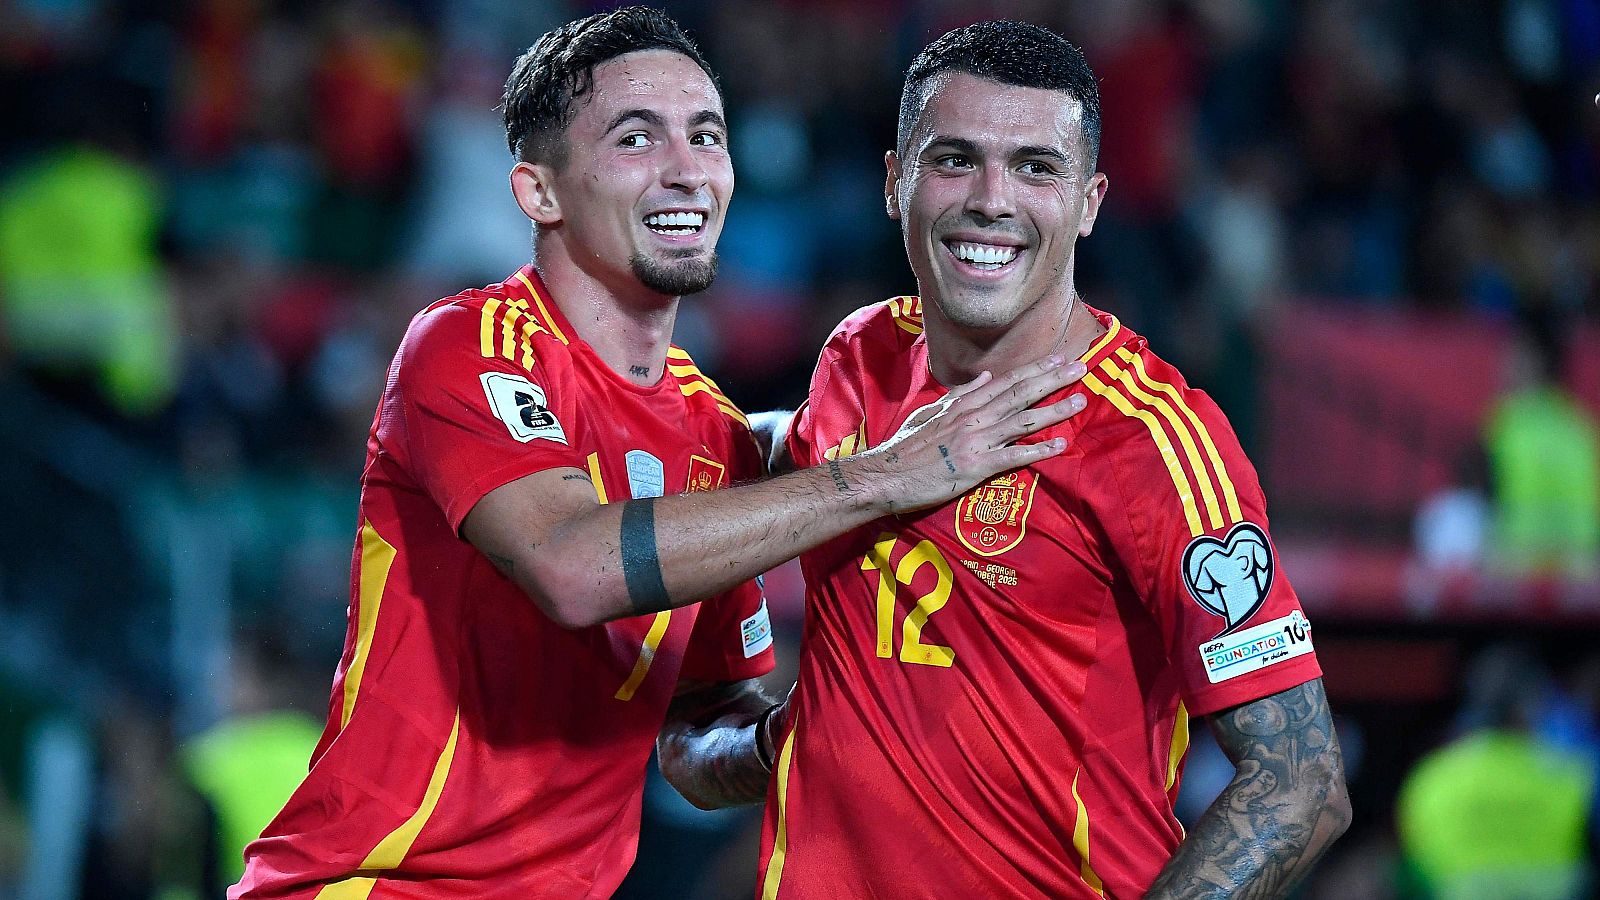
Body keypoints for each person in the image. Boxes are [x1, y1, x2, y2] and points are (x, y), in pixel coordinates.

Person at [231, 9, 1087, 898]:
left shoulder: (711, 437)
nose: (688, 170)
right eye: (637, 138)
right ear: (539, 192)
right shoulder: (469, 343)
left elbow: (695, 738)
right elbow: (574, 566)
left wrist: (837, 725)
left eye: (707, 136)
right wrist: (881, 476)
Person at [740, 22, 1350, 899]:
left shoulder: (1155, 440)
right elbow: (784, 444)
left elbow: (1302, 786)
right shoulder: (858, 354)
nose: (993, 199)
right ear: (892, 181)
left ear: (1091, 202)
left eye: (1036, 167)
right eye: (955, 159)